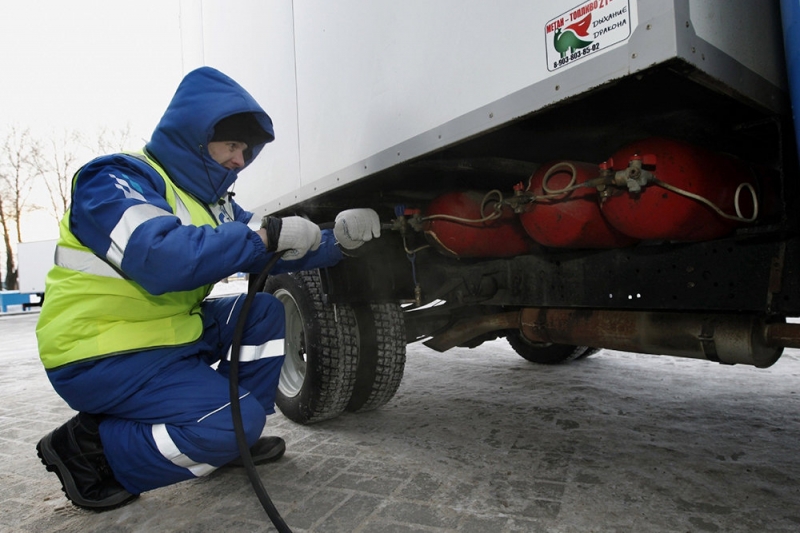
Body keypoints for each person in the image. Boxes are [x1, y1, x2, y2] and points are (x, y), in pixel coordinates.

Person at [34, 66, 381, 511]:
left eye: (246, 149)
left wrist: (340, 242)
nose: (240, 159)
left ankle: (235, 436)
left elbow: (272, 245)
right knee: (229, 424)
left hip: (168, 334)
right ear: (194, 136)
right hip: (100, 352)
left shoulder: (215, 205)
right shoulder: (115, 178)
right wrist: (266, 236)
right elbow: (159, 259)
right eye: (231, 145)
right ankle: (91, 450)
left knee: (262, 312)